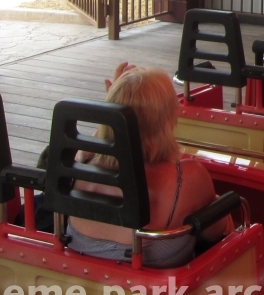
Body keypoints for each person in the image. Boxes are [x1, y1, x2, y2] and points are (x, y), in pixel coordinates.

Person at [67, 64, 232, 267]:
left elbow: (100, 142)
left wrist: (115, 107)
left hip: (78, 283)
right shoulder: (189, 176)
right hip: (154, 293)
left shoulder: (81, 163)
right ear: (168, 119)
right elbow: (217, 232)